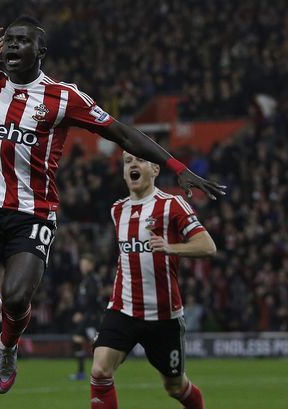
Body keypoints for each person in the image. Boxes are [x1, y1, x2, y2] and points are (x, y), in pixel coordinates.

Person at [0, 15, 225, 394]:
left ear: (40, 51)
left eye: (22, 41)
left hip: (35, 212)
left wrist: (176, 167)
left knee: (18, 296)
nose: (12, 45)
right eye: (7, 40)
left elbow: (121, 132)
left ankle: (8, 347)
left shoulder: (64, 97)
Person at [90, 151, 217, 409]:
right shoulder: (117, 210)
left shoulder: (172, 204)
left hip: (164, 316)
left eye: (140, 160)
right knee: (100, 370)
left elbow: (208, 246)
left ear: (155, 170)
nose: (132, 165)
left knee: (175, 387)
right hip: (123, 309)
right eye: (127, 162)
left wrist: (172, 248)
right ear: (124, 173)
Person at [69, 253, 102, 381]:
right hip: (89, 315)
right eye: (81, 264)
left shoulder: (91, 279)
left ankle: (101, 369)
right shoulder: (88, 279)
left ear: (91, 265)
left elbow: (92, 298)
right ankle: (82, 373)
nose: (82, 267)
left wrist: (82, 313)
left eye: (85, 264)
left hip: (91, 316)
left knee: (95, 344)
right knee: (79, 340)